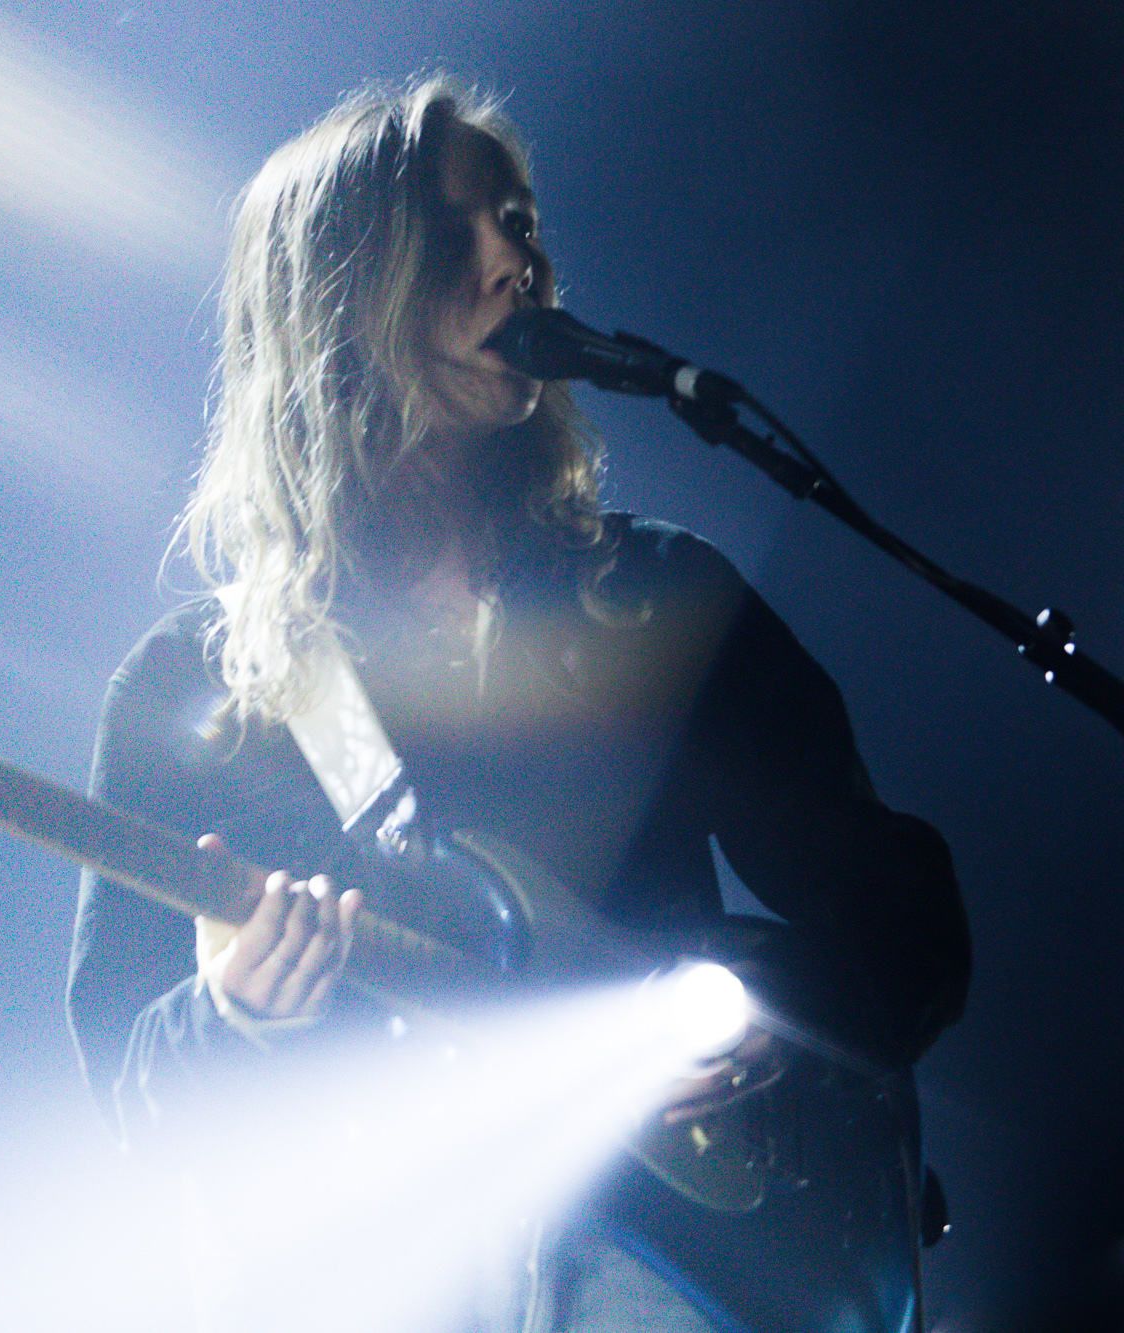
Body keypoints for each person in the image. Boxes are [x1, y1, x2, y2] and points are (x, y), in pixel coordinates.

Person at [65, 76, 970, 1333]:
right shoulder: (194, 694)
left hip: (684, 1275)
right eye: (453, 236)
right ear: (332, 303)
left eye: (519, 221)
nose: (516, 264)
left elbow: (905, 917)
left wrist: (760, 1015)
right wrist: (232, 1017)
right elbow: (131, 1082)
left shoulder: (650, 600)